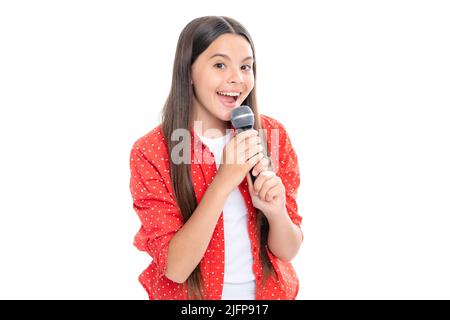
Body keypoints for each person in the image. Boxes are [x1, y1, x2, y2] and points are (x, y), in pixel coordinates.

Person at [129, 16, 303, 300]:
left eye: (246, 66)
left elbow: (289, 250)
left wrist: (276, 212)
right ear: (188, 71)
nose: (237, 78)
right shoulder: (152, 151)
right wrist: (224, 180)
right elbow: (176, 268)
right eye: (220, 65)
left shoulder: (273, 135)